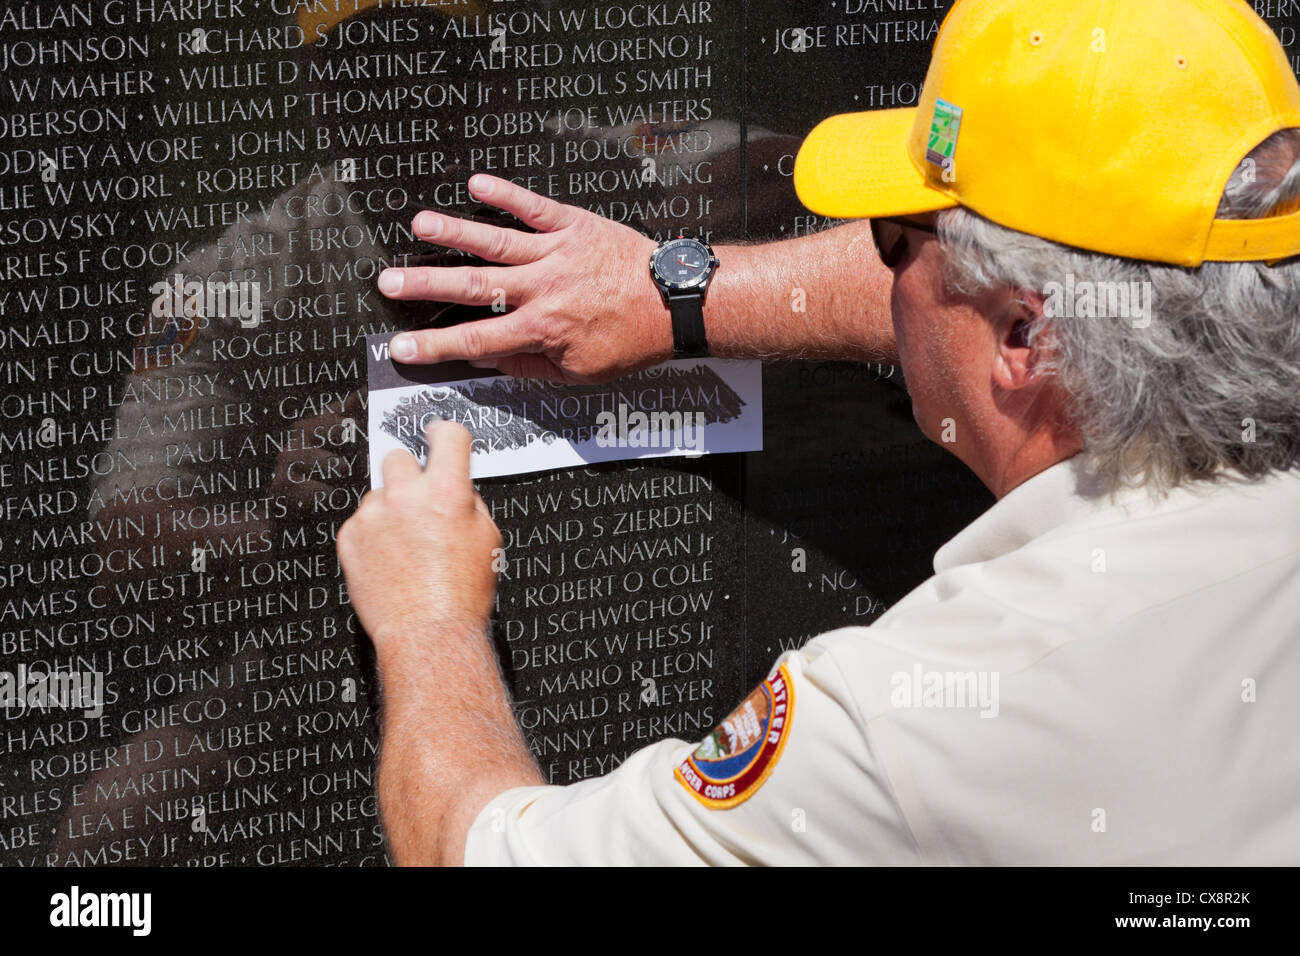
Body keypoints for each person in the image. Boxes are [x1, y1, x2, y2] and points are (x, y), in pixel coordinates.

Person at [337, 0, 1300, 864]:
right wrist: (680, 297)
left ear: (1024, 334)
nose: (886, 273)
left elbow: (483, 854)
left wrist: (428, 616)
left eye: (893, 238)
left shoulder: (917, 719)